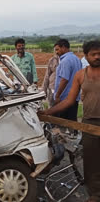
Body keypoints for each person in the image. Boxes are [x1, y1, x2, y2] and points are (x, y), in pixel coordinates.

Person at [39, 40, 100, 202]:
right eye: (93, 54)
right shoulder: (81, 75)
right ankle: (94, 195)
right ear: (86, 56)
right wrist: (48, 111)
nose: (97, 57)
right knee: (91, 161)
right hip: (88, 123)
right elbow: (69, 100)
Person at [53, 39, 82, 122]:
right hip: (74, 97)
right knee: (72, 121)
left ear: (64, 48)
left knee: (62, 123)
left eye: (57, 49)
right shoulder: (76, 59)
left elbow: (64, 79)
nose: (56, 52)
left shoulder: (65, 61)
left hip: (64, 98)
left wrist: (58, 95)